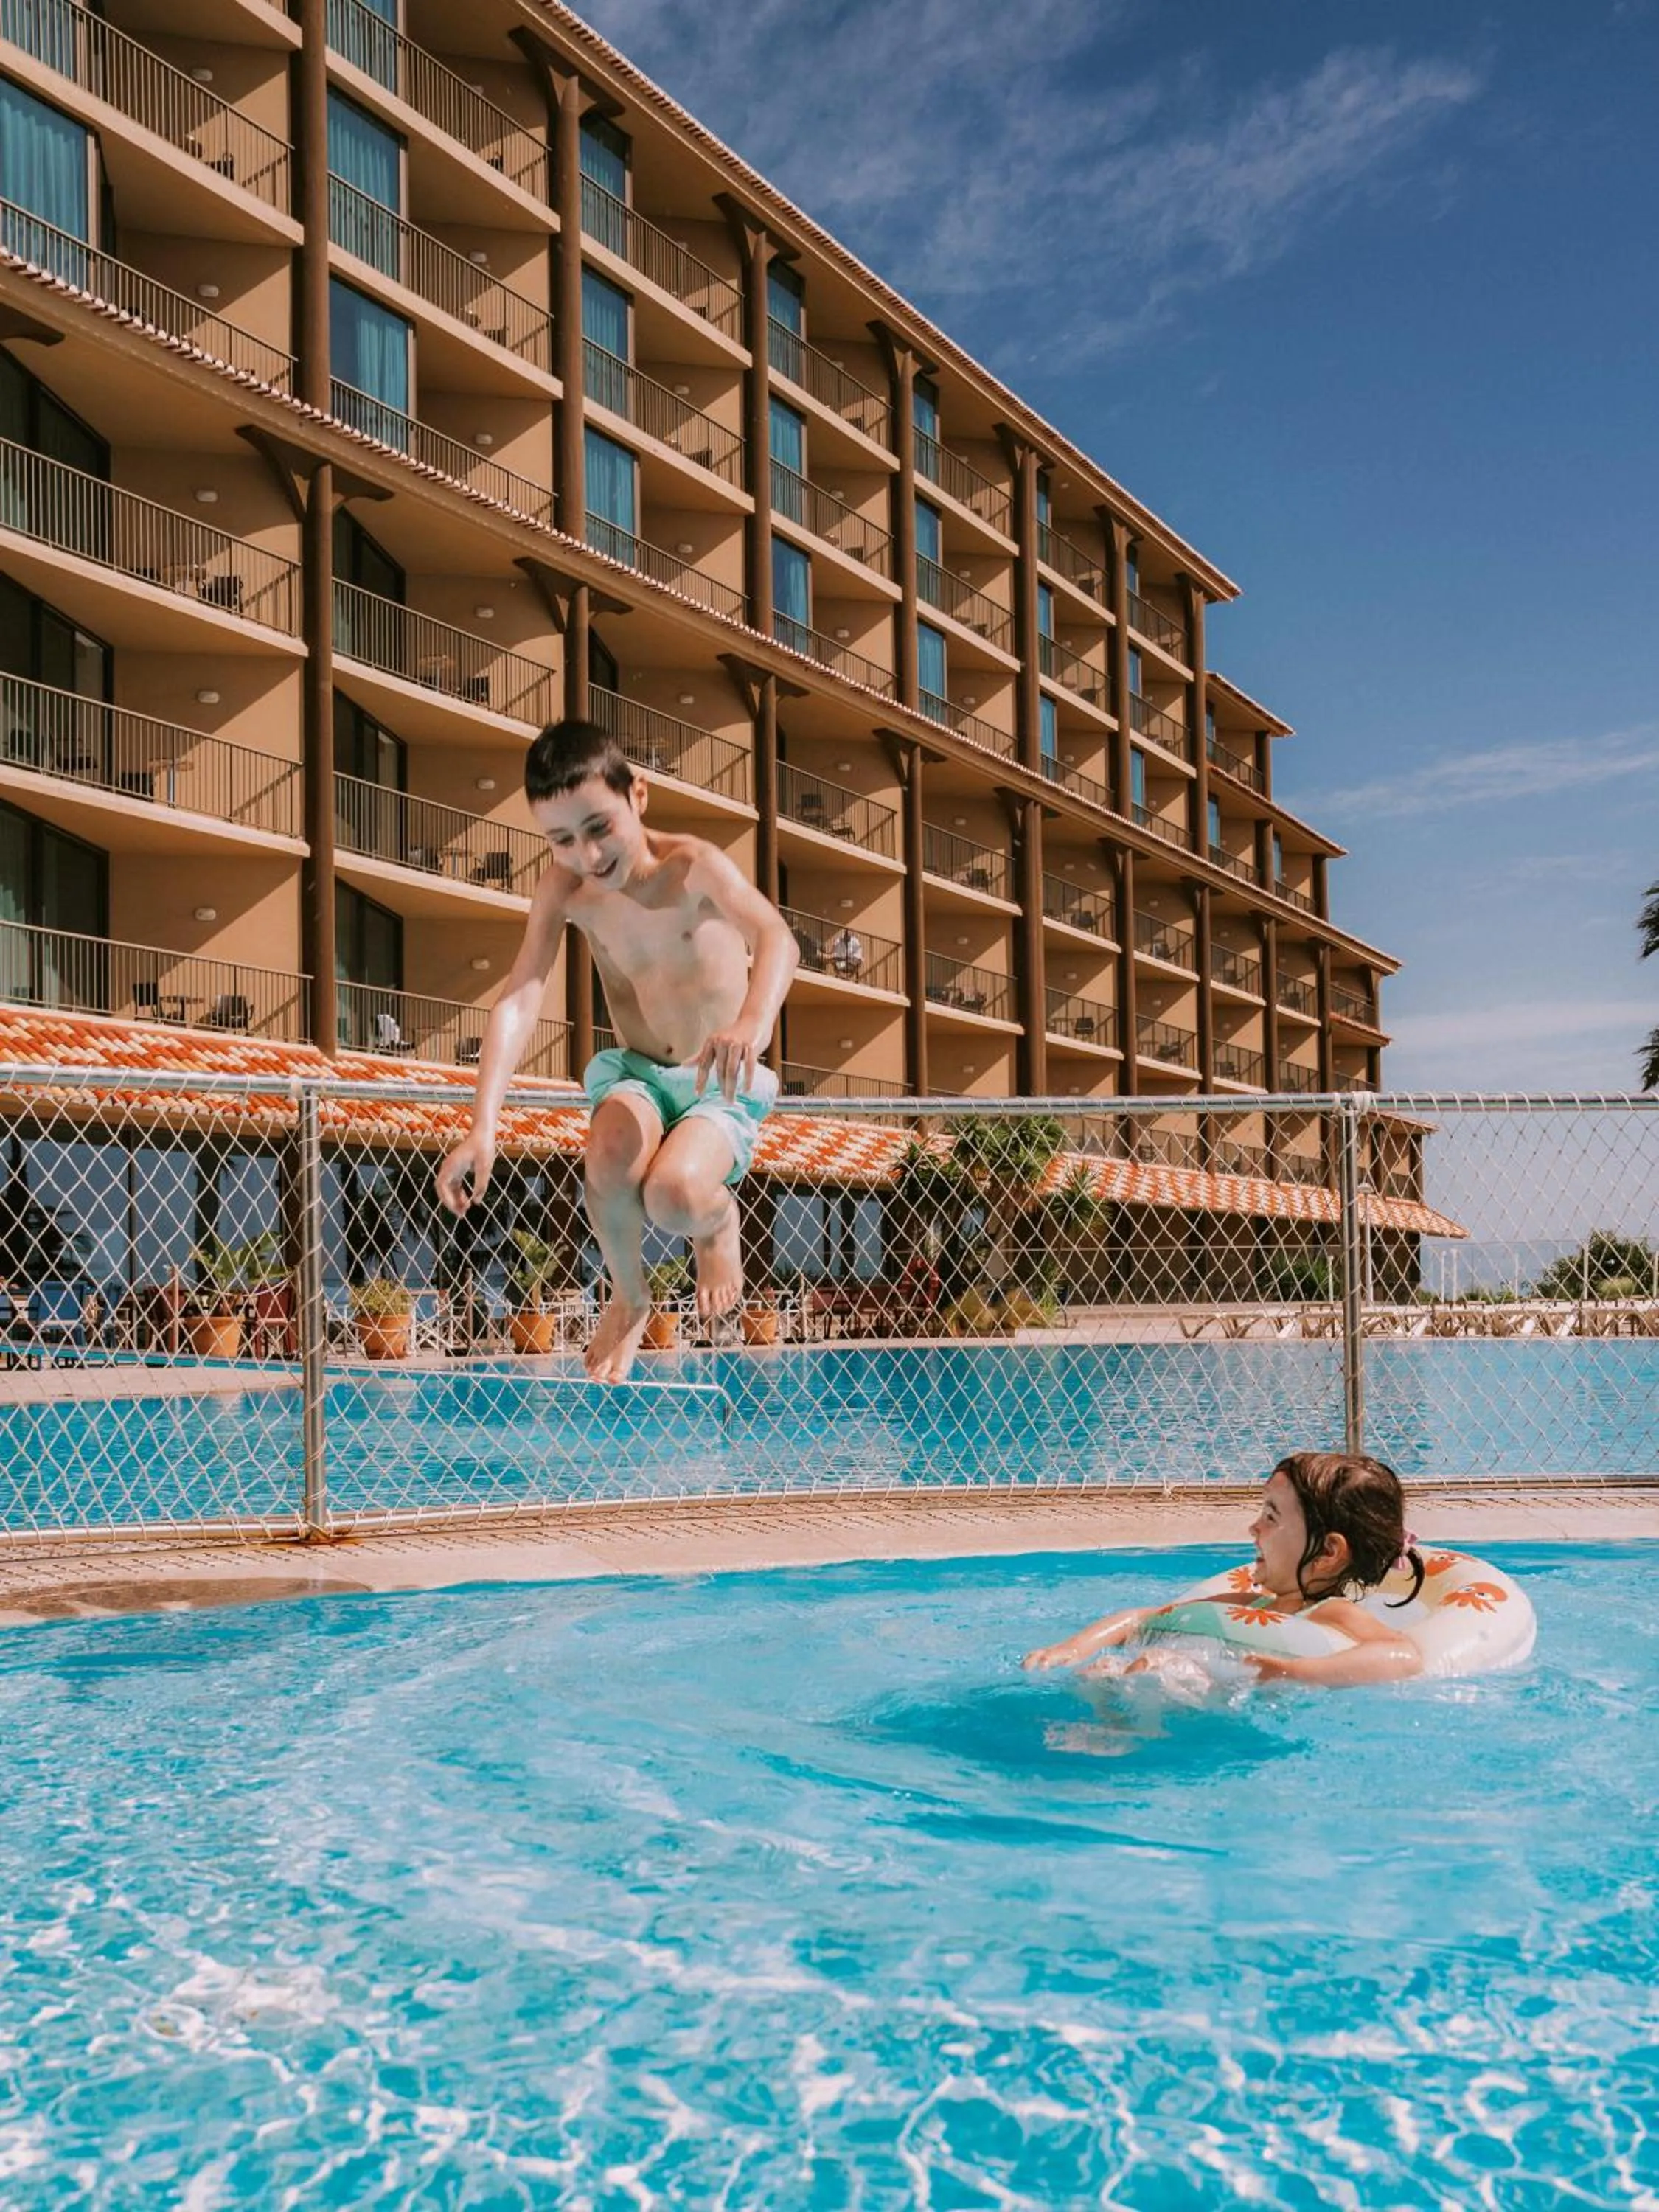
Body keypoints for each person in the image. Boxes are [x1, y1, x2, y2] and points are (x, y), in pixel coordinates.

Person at [435, 717, 799, 1384]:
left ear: (638, 795)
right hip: (637, 1070)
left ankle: (717, 1223)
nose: (588, 854)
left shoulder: (695, 868)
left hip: (715, 1077)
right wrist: (482, 1127)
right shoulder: (567, 891)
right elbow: (520, 997)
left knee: (675, 1196)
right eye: (564, 840)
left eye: (599, 828)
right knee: (606, 1153)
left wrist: (750, 1022)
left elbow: (777, 937)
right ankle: (629, 1297)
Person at [1023, 1450, 1425, 1688]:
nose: (1254, 1527)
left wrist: (1294, 1671)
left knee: (1156, 1668)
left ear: (1328, 1552)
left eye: (1271, 1516)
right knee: (1106, 1670)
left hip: (1229, 1698)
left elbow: (1402, 1656)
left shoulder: (1329, 1613)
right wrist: (1072, 1649)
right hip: (1203, 1689)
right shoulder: (1250, 1603)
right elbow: (1140, 1619)